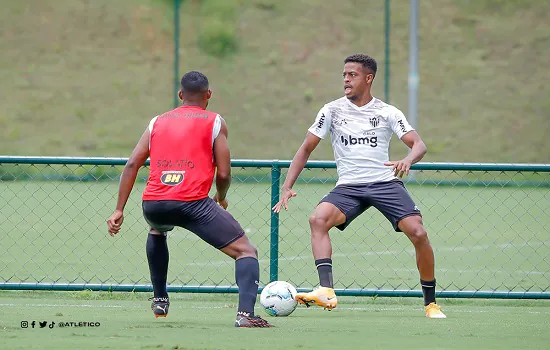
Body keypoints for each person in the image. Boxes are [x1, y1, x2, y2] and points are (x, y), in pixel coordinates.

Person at [272, 54, 446, 319]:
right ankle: (326, 290)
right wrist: (287, 186)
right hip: (349, 186)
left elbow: (418, 145)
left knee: (419, 233)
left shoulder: (387, 112)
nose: (346, 80)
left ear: (368, 78)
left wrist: (408, 159)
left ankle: (431, 303)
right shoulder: (331, 110)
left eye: (352, 75)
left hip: (384, 183)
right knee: (317, 220)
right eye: (344, 75)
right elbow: (305, 148)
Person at [106, 71, 273, 328]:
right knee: (246, 251)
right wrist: (221, 196)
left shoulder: (157, 122)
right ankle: (246, 316)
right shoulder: (215, 121)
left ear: (180, 95)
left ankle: (160, 299)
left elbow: (131, 164)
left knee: (157, 229)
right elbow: (225, 172)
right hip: (193, 203)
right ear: (208, 96)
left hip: (154, 203)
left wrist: (119, 209)